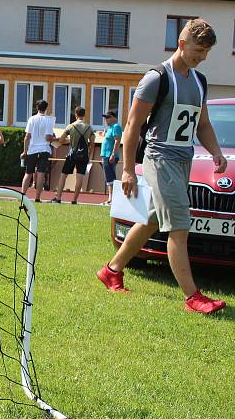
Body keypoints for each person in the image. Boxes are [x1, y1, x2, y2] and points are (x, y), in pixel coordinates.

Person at [97, 18, 227, 314]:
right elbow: (132, 125)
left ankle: (111, 270)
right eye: (198, 51)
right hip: (160, 159)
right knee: (179, 226)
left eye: (206, 53)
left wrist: (217, 152)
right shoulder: (156, 78)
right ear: (182, 44)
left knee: (152, 219)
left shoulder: (199, 81)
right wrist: (128, 169)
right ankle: (193, 297)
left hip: (184, 161)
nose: (202, 58)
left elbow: (202, 124)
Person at [51, 106, 93, 204]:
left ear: (75, 115)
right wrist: (89, 155)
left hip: (72, 154)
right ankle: (74, 200)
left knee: (63, 175)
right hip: (83, 155)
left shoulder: (71, 126)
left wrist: (68, 140)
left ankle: (58, 198)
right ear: (84, 115)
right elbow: (92, 143)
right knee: (80, 177)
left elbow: (61, 140)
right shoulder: (89, 127)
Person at [20, 100, 57, 202]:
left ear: (37, 107)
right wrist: (57, 139)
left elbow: (27, 136)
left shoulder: (31, 119)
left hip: (32, 149)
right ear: (46, 108)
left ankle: (22, 195)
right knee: (41, 173)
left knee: (28, 173)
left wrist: (25, 150)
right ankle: (37, 197)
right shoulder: (49, 120)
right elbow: (48, 137)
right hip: (44, 149)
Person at [98, 110, 123, 205]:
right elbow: (111, 139)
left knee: (110, 177)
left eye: (107, 117)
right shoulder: (111, 128)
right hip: (106, 155)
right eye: (105, 118)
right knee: (109, 177)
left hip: (109, 156)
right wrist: (103, 135)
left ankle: (112, 200)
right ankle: (111, 199)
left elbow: (117, 141)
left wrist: (113, 154)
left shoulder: (116, 126)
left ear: (114, 118)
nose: (106, 120)